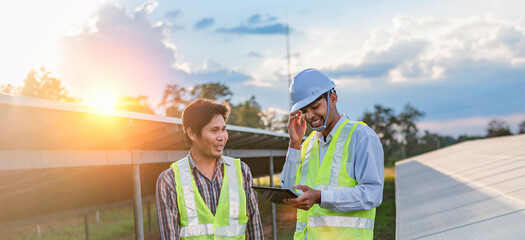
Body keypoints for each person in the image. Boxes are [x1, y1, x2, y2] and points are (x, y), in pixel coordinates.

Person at [281, 68, 384, 240]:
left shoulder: (361, 136)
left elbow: (372, 194)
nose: (310, 116)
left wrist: (321, 197)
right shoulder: (308, 144)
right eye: (305, 111)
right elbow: (289, 189)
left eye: (315, 107)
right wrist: (294, 144)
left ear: (333, 99)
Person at [156, 99, 264, 239]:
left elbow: (255, 229)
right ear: (192, 134)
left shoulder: (242, 171)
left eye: (224, 130)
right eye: (214, 130)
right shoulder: (169, 180)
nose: (222, 137)